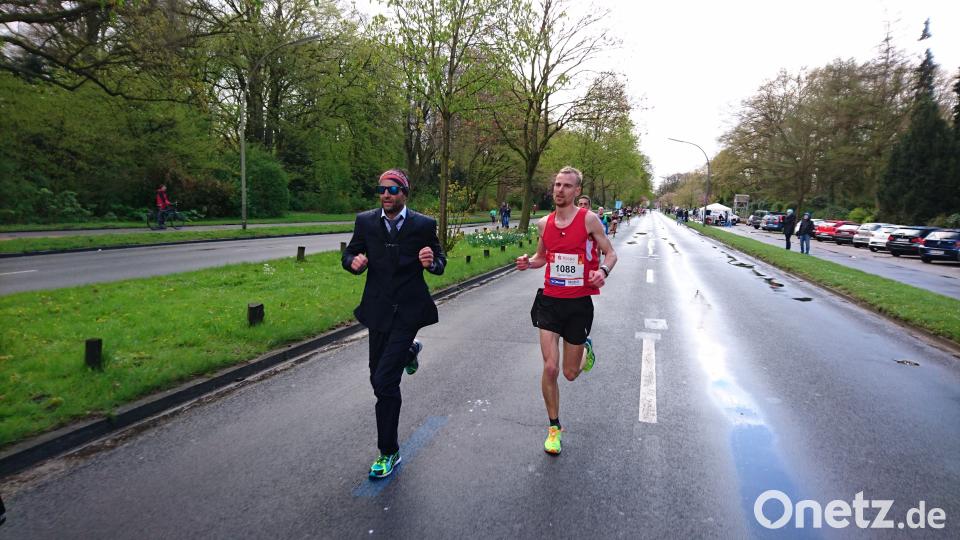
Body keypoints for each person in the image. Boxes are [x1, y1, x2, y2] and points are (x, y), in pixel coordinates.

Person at [342, 168, 446, 479]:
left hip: (408, 311)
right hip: (377, 309)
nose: (385, 194)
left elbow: (440, 261)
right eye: (381, 189)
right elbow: (350, 253)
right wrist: (353, 263)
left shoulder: (423, 225)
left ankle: (389, 451)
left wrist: (432, 262)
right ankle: (410, 351)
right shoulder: (365, 222)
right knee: (377, 376)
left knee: (385, 381)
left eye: (392, 189)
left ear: (405, 193)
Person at [516, 166, 617, 455]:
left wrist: (603, 271)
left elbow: (611, 253)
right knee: (550, 367)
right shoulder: (544, 223)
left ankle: (586, 350)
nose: (560, 190)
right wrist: (528, 263)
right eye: (557, 185)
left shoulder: (589, 220)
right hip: (550, 301)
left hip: (578, 304)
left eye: (567, 186)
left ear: (577, 191)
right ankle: (554, 428)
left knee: (570, 373)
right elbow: (541, 257)